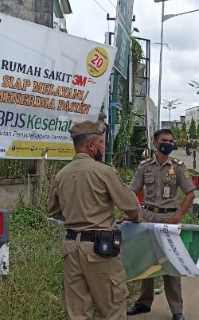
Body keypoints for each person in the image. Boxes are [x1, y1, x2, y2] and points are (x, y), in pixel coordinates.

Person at [48, 113, 142, 320]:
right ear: (91, 146)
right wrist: (133, 218)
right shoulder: (104, 172)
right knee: (113, 307)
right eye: (101, 143)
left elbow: (53, 211)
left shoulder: (61, 174)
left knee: (78, 311)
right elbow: (131, 207)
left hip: (71, 247)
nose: (103, 147)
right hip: (100, 249)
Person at [127, 129, 195, 320]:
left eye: (171, 141)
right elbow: (132, 191)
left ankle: (177, 310)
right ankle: (143, 302)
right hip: (147, 219)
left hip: (169, 221)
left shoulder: (178, 167)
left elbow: (190, 193)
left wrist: (179, 215)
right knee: (146, 263)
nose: (168, 144)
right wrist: (137, 213)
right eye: (164, 140)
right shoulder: (145, 166)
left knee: (171, 266)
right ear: (155, 142)